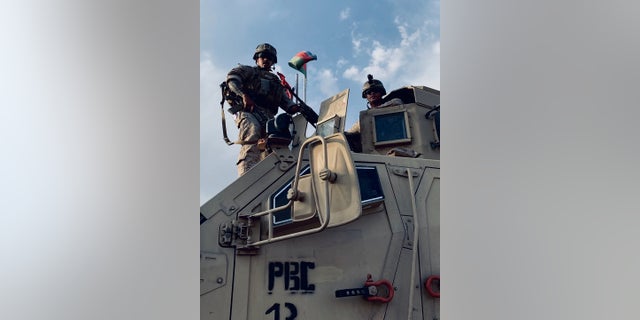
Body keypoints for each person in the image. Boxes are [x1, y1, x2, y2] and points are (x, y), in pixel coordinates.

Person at [225, 43, 300, 176]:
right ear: (257, 58)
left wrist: (294, 107)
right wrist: (244, 96)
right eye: (263, 56)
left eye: (270, 58)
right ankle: (246, 174)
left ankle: (268, 177)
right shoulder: (249, 71)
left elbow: (285, 101)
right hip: (249, 111)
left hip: (268, 116)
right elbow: (232, 80)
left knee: (273, 145)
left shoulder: (276, 81)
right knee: (253, 132)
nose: (266, 60)